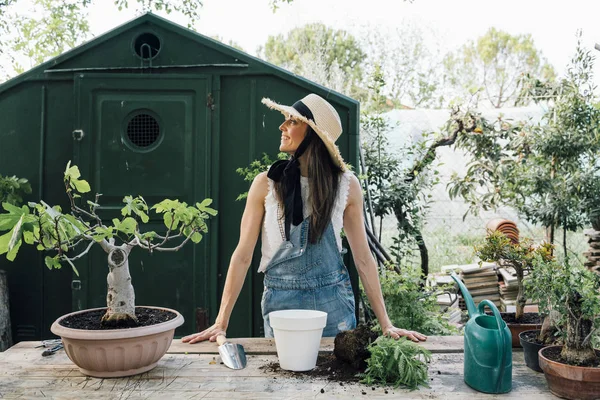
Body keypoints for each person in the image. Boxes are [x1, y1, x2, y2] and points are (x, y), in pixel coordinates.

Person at [182, 94, 427, 344]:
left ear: (313, 134)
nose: (282, 126)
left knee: (335, 378)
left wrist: (386, 324)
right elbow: (243, 255)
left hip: (334, 304)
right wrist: (221, 322)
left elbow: (363, 257)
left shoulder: (346, 186)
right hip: (281, 304)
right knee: (286, 378)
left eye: (292, 121)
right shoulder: (265, 184)